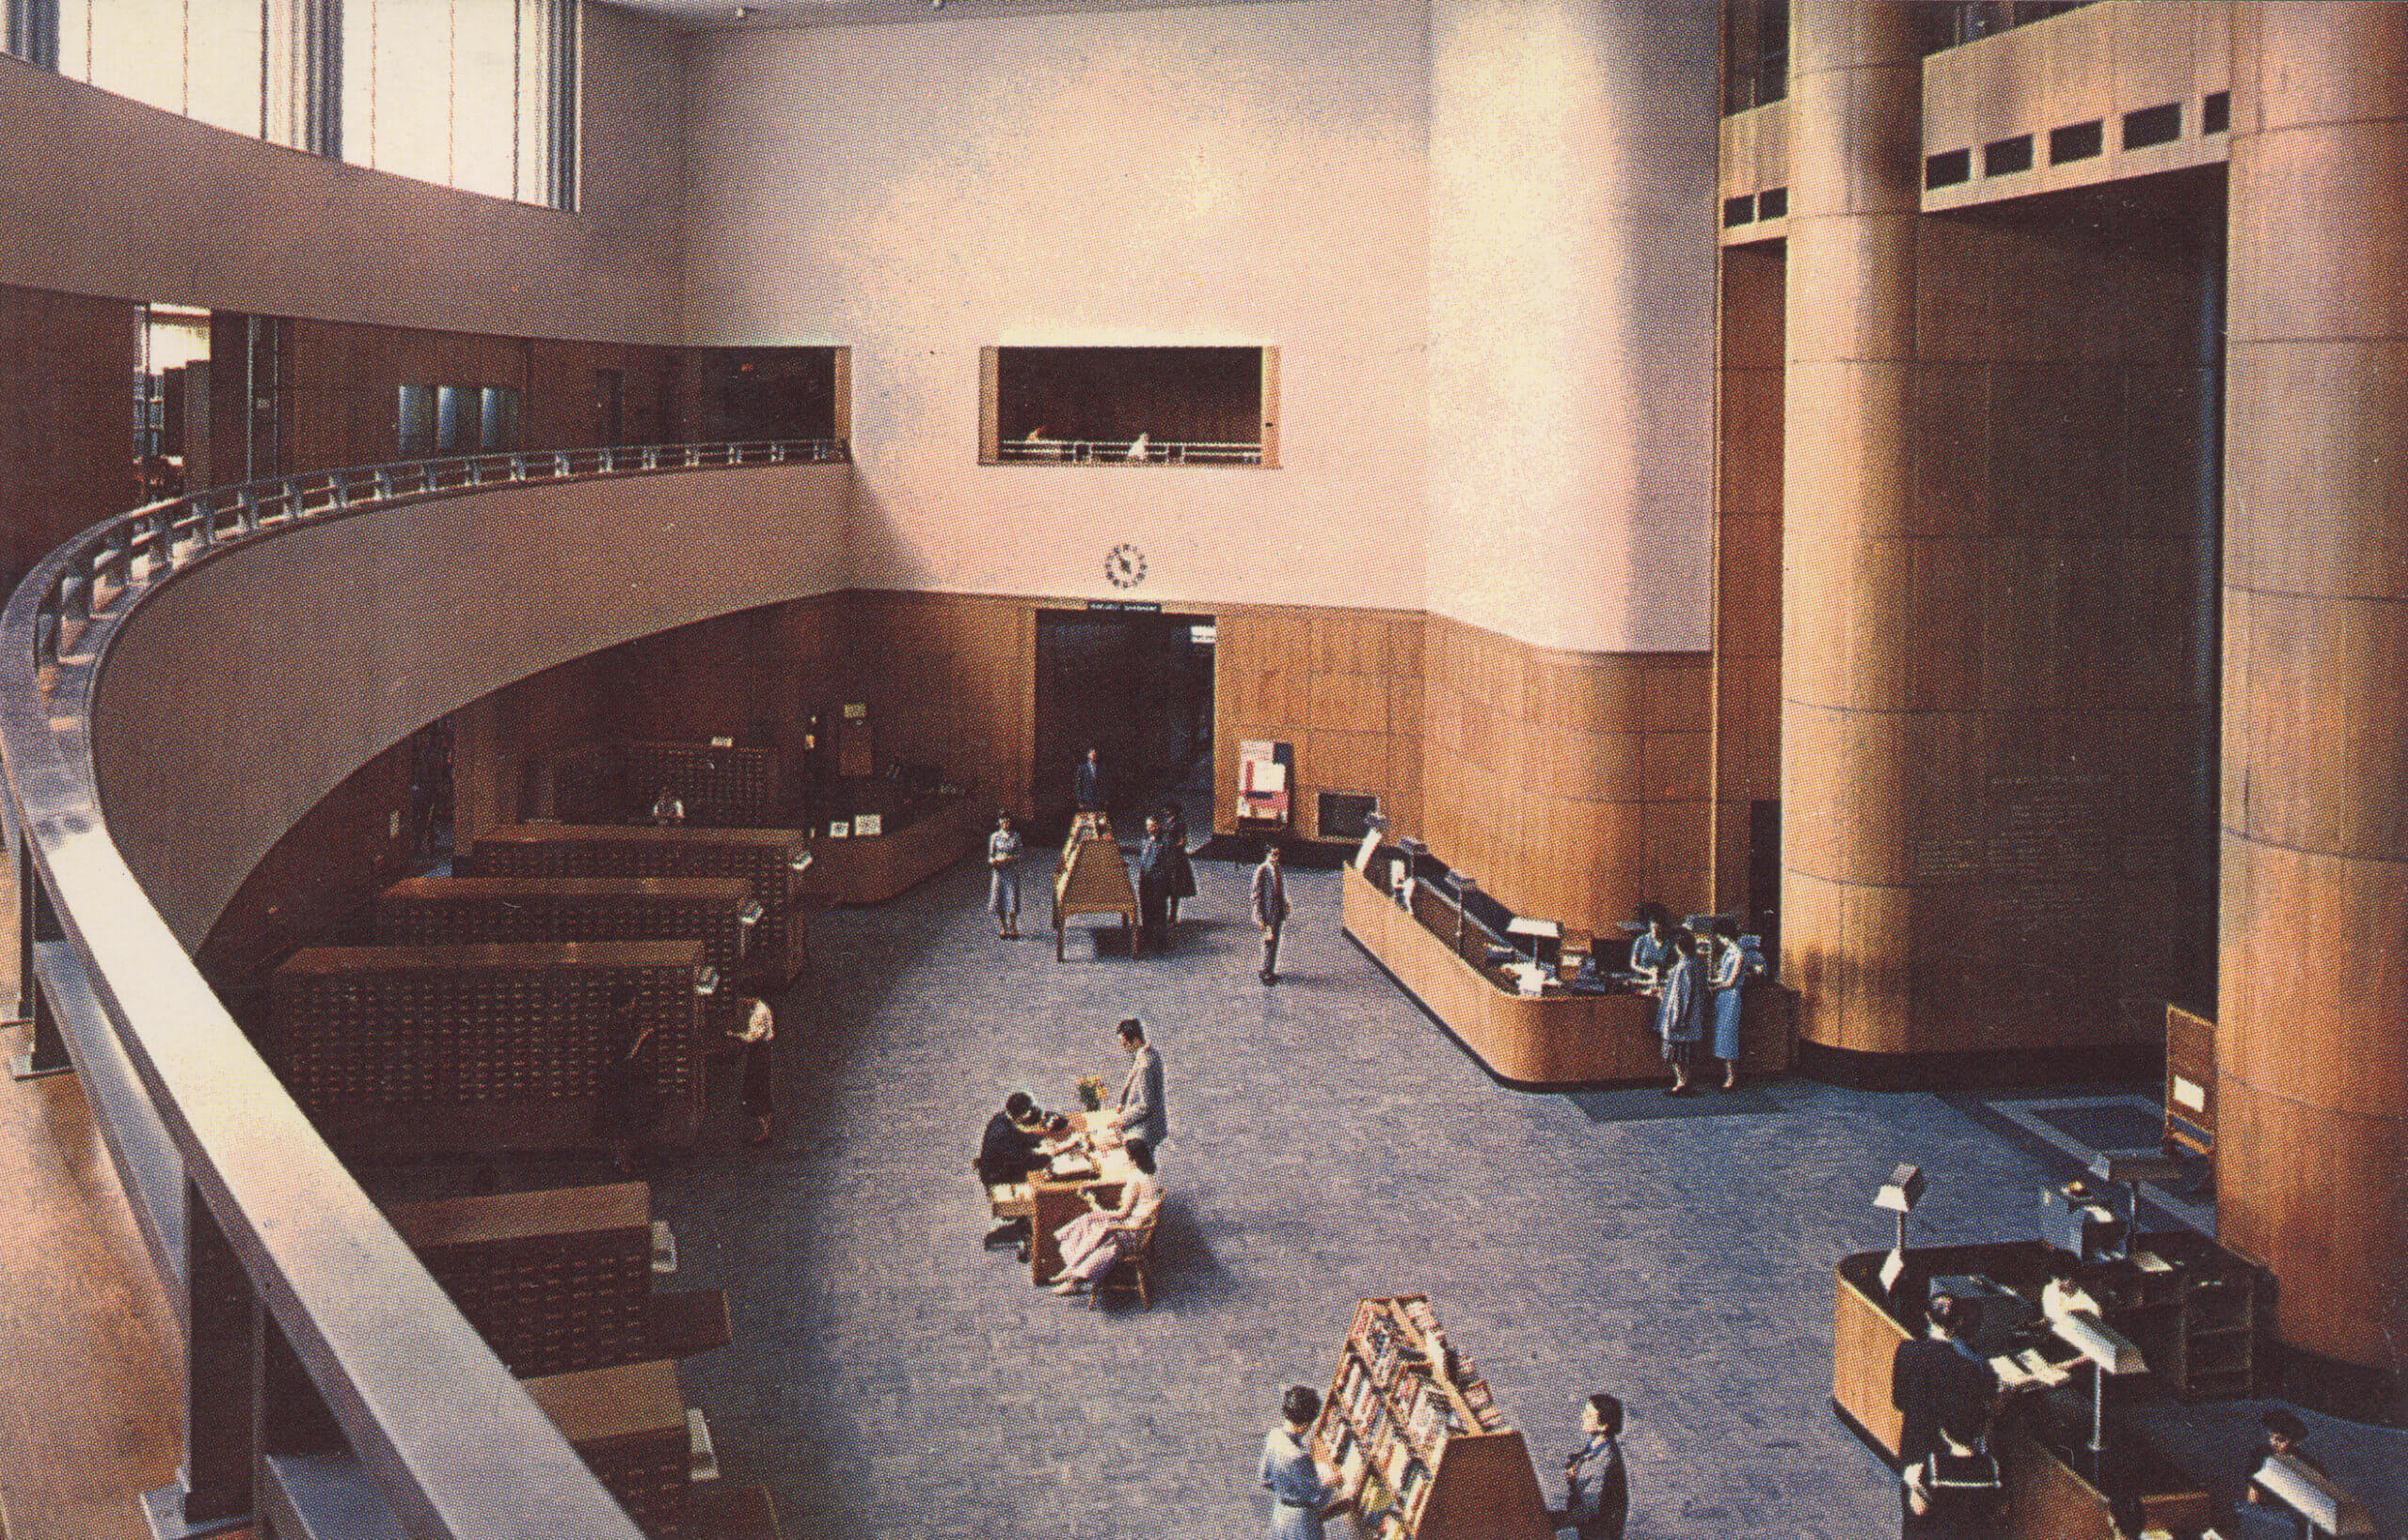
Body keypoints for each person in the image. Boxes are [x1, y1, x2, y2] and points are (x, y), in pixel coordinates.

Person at [1890, 1294, 1999, 1474]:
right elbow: (1967, 1430)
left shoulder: (1906, 1350)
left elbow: (1899, 1402)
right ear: (1958, 1324)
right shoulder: (1967, 1369)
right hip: (1944, 1465)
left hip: (1910, 1455)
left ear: (1927, 1316)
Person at [1050, 1136, 1159, 1294]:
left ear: (1132, 1158)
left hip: (1134, 1232)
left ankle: (1074, 1273)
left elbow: (1122, 1214)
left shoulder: (1136, 1179)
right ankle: (1073, 1272)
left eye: (1127, 1154)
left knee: (1095, 1227)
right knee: (1089, 1220)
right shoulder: (1147, 1173)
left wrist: (1093, 1203)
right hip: (1138, 1225)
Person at [1259, 1384, 1346, 1540]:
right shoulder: (1300, 1456)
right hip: (1302, 1523)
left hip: (1280, 1515)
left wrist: (1287, 1488)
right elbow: (1318, 1498)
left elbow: (1265, 1479)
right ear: (1307, 1423)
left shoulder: (1273, 1437)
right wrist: (1332, 1482)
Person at [594, 993, 665, 1176]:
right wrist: (642, 1035)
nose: (634, 1006)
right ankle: (624, 1162)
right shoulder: (618, 1025)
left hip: (616, 1077)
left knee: (621, 1123)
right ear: (626, 1005)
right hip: (621, 1078)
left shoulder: (615, 1022)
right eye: (631, 1003)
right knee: (623, 1122)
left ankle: (623, 1161)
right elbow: (627, 1054)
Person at [1900, 1413, 2003, 1537]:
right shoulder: (1991, 1465)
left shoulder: (1935, 1464)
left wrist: (1913, 1483)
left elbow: (1918, 1507)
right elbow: (1995, 1504)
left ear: (1945, 1434)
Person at [2241, 1407, 2329, 1539]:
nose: (2273, 1443)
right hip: (2269, 1517)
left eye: (2280, 1440)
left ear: (2294, 1442)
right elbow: (2253, 1494)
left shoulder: (2308, 1466)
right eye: (2272, 1437)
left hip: (2295, 1521)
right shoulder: (2261, 1456)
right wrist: (2253, 1522)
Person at [975, 1090, 1048, 1249]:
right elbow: (1023, 1161)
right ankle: (1030, 1228)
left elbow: (1020, 1137)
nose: (1031, 1114)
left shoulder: (1002, 1119)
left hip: (1001, 1168)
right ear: (1021, 1114)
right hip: (998, 1177)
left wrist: (1041, 1140)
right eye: (1028, 1111)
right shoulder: (1001, 1135)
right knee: (1041, 1186)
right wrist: (1049, 1156)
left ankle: (1025, 1222)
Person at [1551, 1392, 1628, 1540]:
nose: (1583, 1417)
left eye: (1588, 1415)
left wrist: (1551, 1521)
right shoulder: (1597, 1446)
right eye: (1584, 1412)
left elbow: (1589, 1509)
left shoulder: (1604, 1458)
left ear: (1604, 1425)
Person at [1705, 919, 1763, 1091]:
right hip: (1723, 997)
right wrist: (1712, 981)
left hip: (1731, 997)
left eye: (1720, 937)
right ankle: (1727, 1075)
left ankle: (1732, 1078)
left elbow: (1731, 982)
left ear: (1725, 936)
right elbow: (1724, 977)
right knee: (1722, 1036)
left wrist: (1712, 986)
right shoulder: (1729, 951)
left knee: (1728, 1037)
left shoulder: (1738, 954)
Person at [1656, 929, 1704, 1095]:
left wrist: (1677, 1018)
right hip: (1692, 1017)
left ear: (1678, 947)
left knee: (1677, 1054)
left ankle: (1681, 1083)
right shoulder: (1697, 963)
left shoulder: (1683, 967)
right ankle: (1684, 1082)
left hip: (1682, 1019)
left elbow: (1681, 996)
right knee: (1686, 1054)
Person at [1111, 1017, 1167, 1150]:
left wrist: (1121, 1119)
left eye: (1125, 1044)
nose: (1123, 1048)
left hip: (1145, 1131)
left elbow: (1145, 1105)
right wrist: (1122, 1104)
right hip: (1143, 1124)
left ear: (1136, 1040)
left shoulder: (1145, 1064)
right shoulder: (1148, 1054)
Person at [730, 992, 776, 1146]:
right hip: (761, 1050)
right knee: (759, 1089)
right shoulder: (761, 1006)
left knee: (757, 1089)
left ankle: (764, 1132)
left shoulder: (758, 1012)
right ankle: (764, 1130)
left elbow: (752, 1036)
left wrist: (735, 1036)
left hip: (759, 1051)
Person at [1251, 841, 1290, 986]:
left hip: (1277, 911)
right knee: (1269, 941)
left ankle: (1270, 969)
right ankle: (1266, 971)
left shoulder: (1277, 868)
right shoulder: (1262, 870)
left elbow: (1280, 889)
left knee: (1275, 941)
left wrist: (1284, 903)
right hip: (1267, 914)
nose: (1277, 857)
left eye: (1278, 854)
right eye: (1274, 854)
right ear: (1267, 853)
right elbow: (1256, 895)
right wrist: (1260, 918)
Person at [1137, 813, 1175, 952]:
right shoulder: (1146, 840)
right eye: (1148, 826)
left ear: (1158, 826)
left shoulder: (1166, 841)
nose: (1149, 828)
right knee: (1146, 909)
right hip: (1145, 882)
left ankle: (1161, 940)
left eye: (1151, 826)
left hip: (1158, 882)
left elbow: (1168, 863)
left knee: (1159, 911)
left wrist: (1160, 879)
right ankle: (1147, 936)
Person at [987, 811, 1023, 939]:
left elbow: (1020, 854)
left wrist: (1009, 858)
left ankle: (1013, 927)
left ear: (1010, 822)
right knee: (1000, 899)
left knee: (1011, 898)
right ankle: (1003, 927)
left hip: (1011, 871)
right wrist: (994, 861)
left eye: (1007, 820)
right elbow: (991, 856)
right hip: (999, 872)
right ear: (999, 822)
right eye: (1002, 821)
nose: (1005, 823)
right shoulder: (995, 837)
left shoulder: (1015, 836)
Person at [1160, 801, 1196, 926]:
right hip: (1166, 855)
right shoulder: (1167, 821)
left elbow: (1183, 840)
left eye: (1168, 809)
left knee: (1175, 888)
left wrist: (1175, 847)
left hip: (1175, 858)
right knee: (1165, 887)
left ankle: (1173, 917)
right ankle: (1165, 915)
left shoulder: (1179, 823)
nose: (1166, 811)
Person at [1628, 903, 1674, 982]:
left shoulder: (1669, 943)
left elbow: (1672, 965)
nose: (1655, 932)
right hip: (1642, 978)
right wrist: (1648, 972)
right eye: (1653, 929)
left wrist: (1664, 973)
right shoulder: (1641, 940)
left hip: (1661, 979)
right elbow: (1633, 964)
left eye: (1658, 929)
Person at [1073, 746, 1107, 814]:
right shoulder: (1082, 768)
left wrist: (1105, 799)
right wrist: (1080, 801)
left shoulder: (1101, 768)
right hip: (1087, 800)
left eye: (1095, 754)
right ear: (1088, 755)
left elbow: (1104, 785)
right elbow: (1079, 785)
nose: (1093, 756)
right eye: (1092, 754)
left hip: (1099, 800)